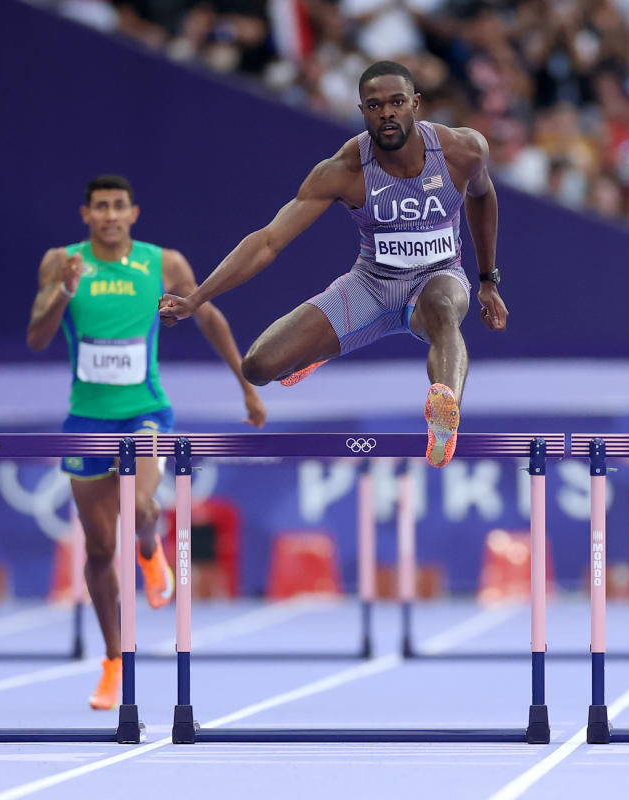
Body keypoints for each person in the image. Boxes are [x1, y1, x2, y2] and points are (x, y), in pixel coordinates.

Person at [158, 60, 508, 468]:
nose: (387, 113)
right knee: (258, 366)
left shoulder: (461, 150)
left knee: (444, 312)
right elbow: (268, 241)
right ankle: (325, 346)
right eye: (374, 105)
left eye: (397, 102)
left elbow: (483, 196)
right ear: (362, 112)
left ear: (415, 104)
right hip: (372, 286)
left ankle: (444, 421)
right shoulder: (344, 170)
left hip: (438, 277)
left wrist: (487, 280)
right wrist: (196, 298)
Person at [27, 174, 266, 709]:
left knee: (140, 505)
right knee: (96, 547)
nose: (110, 215)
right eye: (100, 208)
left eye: (118, 207)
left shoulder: (165, 263)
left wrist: (245, 386)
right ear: (85, 215)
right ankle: (113, 660)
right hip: (86, 421)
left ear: (133, 214)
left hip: (146, 412)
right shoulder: (61, 262)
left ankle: (151, 550)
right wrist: (63, 292)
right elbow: (37, 337)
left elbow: (211, 319)